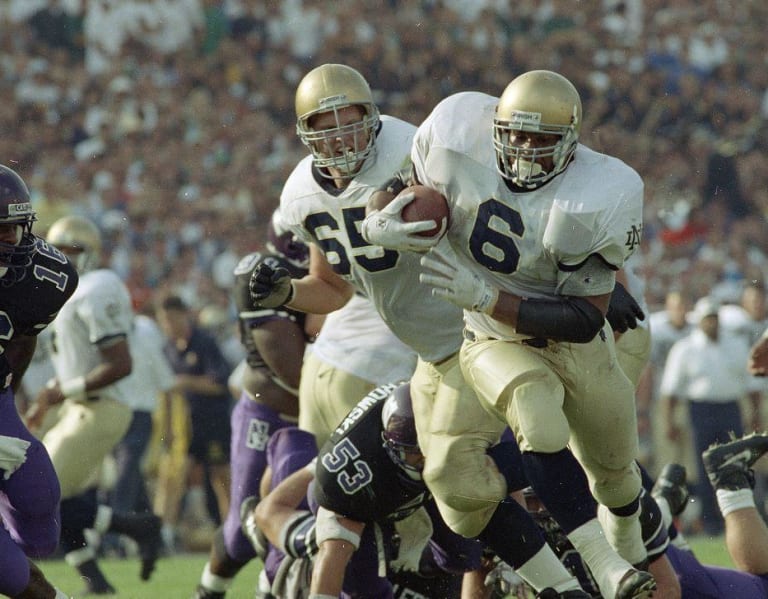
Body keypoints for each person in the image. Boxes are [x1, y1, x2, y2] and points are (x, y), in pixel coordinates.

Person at [248, 62, 607, 597]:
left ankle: (602, 561)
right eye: (327, 126)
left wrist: (595, 279)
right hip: (432, 356)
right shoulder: (301, 194)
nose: (342, 137)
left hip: (479, 330)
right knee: (464, 487)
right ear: (305, 133)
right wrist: (286, 294)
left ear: (372, 117)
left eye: (351, 121)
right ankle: (570, 573)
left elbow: (508, 211)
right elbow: (334, 288)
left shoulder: (412, 149)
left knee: (514, 467)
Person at [361, 69, 655, 595]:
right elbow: (402, 187)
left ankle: (627, 542)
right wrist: (373, 220)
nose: (522, 149)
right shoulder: (456, 131)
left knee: (615, 472)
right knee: (482, 463)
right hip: (488, 336)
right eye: (513, 134)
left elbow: (586, 320)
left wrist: (489, 296)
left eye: (539, 140)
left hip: (566, 334)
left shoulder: (602, 191)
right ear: (494, 127)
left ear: (570, 143)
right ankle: (573, 580)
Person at [26, 214, 162, 594]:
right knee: (54, 496)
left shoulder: (97, 287)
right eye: (59, 251)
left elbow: (120, 364)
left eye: (73, 250)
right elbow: (73, 365)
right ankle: (96, 579)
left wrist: (62, 392)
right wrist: (47, 401)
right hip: (82, 408)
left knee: (38, 491)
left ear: (91, 253)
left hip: (102, 408)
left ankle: (137, 527)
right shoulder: (70, 291)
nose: (65, 258)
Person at [249, 383, 485, 597]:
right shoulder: (349, 489)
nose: (424, 460)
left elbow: (266, 511)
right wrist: (316, 467)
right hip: (358, 535)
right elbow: (270, 513)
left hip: (394, 536)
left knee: (465, 555)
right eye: (415, 453)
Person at [192, 211, 316, 599]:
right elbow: (292, 371)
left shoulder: (344, 273)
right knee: (242, 531)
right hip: (268, 413)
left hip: (314, 419)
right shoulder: (262, 273)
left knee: (299, 518)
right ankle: (209, 591)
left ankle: (269, 590)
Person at [0, 165, 77, 598]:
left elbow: (22, 337)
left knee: (39, 501)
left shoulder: (42, 277)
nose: (11, 242)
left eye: (14, 229)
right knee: (13, 576)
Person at [660, 295, 756, 535]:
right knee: (705, 467)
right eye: (707, 319)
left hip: (730, 407)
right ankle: (711, 523)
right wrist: (669, 422)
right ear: (700, 321)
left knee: (735, 464)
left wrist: (754, 412)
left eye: (714, 318)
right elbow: (670, 390)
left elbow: (750, 383)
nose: (711, 323)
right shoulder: (686, 348)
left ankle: (740, 520)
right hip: (700, 410)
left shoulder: (734, 344)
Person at [155, 294, 233, 540]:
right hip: (182, 426)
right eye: (163, 321)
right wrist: (166, 427)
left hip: (211, 421)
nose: (167, 325)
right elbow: (165, 393)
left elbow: (220, 384)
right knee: (172, 478)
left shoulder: (204, 343)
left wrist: (186, 382)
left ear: (183, 316)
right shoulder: (166, 350)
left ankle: (231, 530)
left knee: (221, 478)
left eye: (171, 319)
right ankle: (163, 534)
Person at [103, 309, 176, 556]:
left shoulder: (145, 343)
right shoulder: (111, 345)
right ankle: (153, 536)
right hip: (116, 413)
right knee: (131, 477)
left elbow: (166, 386)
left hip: (141, 416)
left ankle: (113, 539)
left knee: (125, 473)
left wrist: (167, 428)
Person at [638, 290, 694, 477]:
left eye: (684, 306)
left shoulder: (694, 331)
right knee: (666, 459)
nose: (680, 311)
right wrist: (643, 409)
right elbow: (648, 372)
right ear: (668, 308)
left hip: (690, 400)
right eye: (676, 307)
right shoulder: (658, 330)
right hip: (662, 400)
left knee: (691, 461)